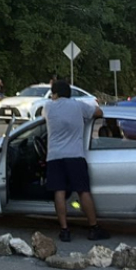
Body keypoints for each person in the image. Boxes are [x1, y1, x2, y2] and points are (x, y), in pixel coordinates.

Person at [44, 79, 106, 242]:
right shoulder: (79, 106)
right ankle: (93, 228)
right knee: (83, 191)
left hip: (54, 156)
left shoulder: (48, 107)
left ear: (55, 93)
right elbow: (99, 112)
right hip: (75, 156)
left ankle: (64, 230)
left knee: (59, 192)